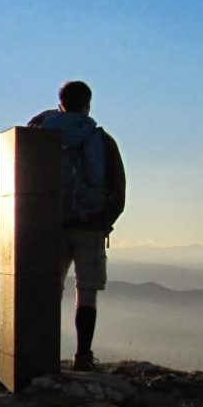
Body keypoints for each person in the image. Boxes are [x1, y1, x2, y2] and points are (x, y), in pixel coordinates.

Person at [28, 81, 126, 371]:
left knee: (49, 289)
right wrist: (104, 221)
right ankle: (83, 356)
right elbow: (118, 189)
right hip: (91, 225)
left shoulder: (42, 135)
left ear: (60, 104)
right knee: (87, 291)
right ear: (88, 104)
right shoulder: (101, 139)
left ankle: (42, 352)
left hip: (51, 226)